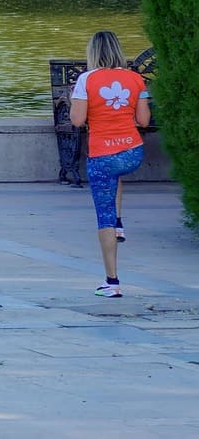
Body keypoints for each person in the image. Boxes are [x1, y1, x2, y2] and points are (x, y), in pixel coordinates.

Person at [68, 30, 151, 299]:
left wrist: (77, 100)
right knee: (117, 173)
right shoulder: (135, 79)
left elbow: (77, 121)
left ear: (92, 52)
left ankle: (111, 282)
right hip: (132, 153)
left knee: (102, 216)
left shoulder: (86, 80)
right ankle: (119, 221)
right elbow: (144, 121)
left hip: (102, 155)